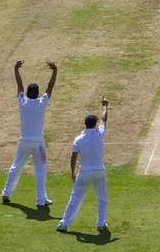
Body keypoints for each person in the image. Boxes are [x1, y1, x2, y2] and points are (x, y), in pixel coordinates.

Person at [1, 60, 58, 207]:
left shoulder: (23, 102)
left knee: (16, 166)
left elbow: (19, 84)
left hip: (24, 141)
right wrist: (54, 71)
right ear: (37, 93)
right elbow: (50, 86)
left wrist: (16, 69)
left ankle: (6, 193)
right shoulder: (42, 102)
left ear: (27, 93)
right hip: (38, 143)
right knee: (41, 169)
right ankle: (40, 200)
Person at [57, 97, 110, 233]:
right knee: (102, 197)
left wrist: (73, 172)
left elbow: (73, 157)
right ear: (94, 124)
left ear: (85, 124)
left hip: (84, 172)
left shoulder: (78, 139)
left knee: (75, 198)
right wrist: (105, 106)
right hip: (99, 171)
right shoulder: (99, 133)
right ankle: (100, 223)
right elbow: (104, 120)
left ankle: (64, 224)